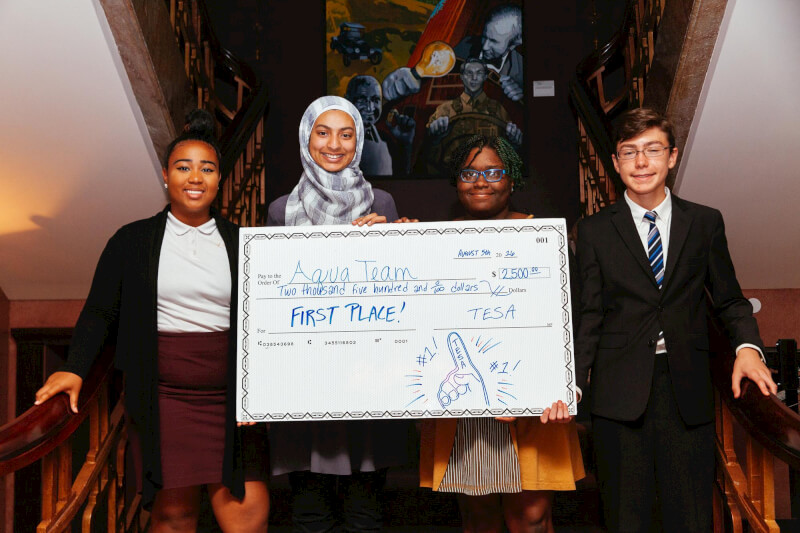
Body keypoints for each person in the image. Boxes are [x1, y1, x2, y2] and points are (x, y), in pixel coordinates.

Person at [34, 110, 269, 533]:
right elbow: (100, 311)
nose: (195, 176)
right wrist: (74, 367)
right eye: (183, 167)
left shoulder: (245, 243)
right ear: (165, 176)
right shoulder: (131, 240)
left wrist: (261, 387)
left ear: (219, 179)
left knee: (247, 515)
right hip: (165, 399)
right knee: (174, 515)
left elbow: (271, 321)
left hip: (236, 400)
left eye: (207, 168)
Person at [575, 107, 777, 532]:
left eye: (652, 150)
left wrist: (747, 348)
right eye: (629, 153)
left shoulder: (704, 222)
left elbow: (729, 300)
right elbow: (589, 314)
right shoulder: (593, 230)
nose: (641, 162)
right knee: (625, 517)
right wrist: (571, 380)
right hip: (617, 393)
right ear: (615, 163)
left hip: (686, 388)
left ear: (672, 156)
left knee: (689, 516)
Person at [420, 135, 585, 533]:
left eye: (494, 172)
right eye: (469, 173)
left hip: (531, 400)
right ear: (456, 182)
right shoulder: (429, 242)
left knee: (530, 517)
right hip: (463, 397)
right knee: (478, 519)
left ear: (512, 181)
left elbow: (574, 318)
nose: (481, 182)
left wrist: (565, 385)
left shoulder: (544, 239)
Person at [266, 96, 412, 532]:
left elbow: (402, 288)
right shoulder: (279, 211)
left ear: (360, 140)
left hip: (367, 380)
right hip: (304, 382)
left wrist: (404, 240)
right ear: (305, 137)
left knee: (364, 512)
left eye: (346, 134)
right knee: (309, 512)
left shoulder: (382, 204)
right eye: (323, 132)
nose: (334, 144)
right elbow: (273, 301)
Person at [382, 4, 524, 103]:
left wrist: (520, 99)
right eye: (484, 37)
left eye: (494, 41)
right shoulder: (466, 46)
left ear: (514, 44)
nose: (485, 46)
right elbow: (432, 77)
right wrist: (409, 79)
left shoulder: (522, 74)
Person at [425, 58, 521, 174]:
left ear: (485, 77)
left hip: (488, 174)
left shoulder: (498, 110)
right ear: (462, 76)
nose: (474, 78)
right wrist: (435, 138)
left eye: (479, 73)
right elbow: (429, 154)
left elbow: (508, 153)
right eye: (469, 73)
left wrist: (515, 143)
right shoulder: (445, 110)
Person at [344, 75, 415, 176]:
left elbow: (400, 180)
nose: (370, 108)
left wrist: (405, 144)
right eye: (362, 100)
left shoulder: (385, 140)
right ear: (347, 101)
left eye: (375, 100)